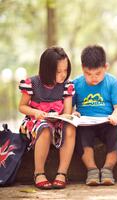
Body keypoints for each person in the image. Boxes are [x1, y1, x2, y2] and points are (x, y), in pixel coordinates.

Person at [19, 47, 76, 190]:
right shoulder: (32, 83)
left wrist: (71, 115)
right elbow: (22, 107)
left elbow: (67, 113)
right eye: (58, 71)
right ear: (46, 70)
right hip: (34, 123)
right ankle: (39, 173)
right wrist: (35, 112)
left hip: (56, 123)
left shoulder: (67, 85)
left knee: (70, 127)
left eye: (65, 70)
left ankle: (62, 173)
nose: (63, 75)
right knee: (44, 128)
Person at [73, 45, 117, 186]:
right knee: (80, 132)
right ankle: (91, 169)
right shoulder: (76, 84)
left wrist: (115, 116)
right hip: (86, 123)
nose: (93, 78)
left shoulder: (113, 82)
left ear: (106, 67)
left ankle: (108, 169)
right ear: (82, 68)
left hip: (107, 122)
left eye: (98, 73)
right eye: (88, 74)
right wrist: (73, 112)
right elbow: (68, 107)